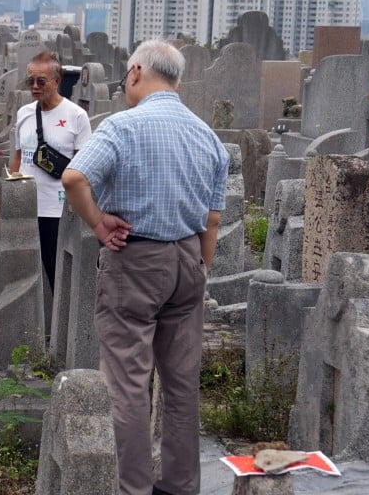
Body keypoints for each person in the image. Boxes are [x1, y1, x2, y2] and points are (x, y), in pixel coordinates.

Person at [62, 40, 229, 495]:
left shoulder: (123, 126)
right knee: (181, 383)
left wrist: (98, 223)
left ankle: (131, 487)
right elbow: (213, 218)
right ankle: (179, 485)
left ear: (136, 72)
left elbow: (74, 177)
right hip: (189, 257)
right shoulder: (207, 135)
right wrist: (200, 265)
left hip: (136, 257)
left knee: (128, 381)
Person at [9, 51, 92, 296]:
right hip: (24, 206)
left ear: (57, 81)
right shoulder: (24, 113)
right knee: (21, 273)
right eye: (30, 81)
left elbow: (84, 164)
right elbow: (17, 156)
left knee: (57, 275)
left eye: (41, 81)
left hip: (56, 209)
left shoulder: (76, 116)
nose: (34, 87)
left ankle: (56, 330)